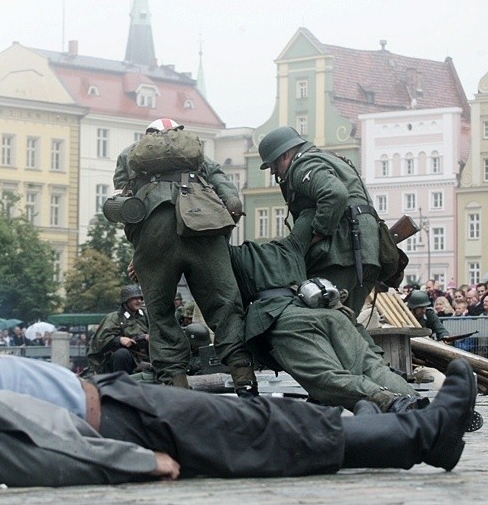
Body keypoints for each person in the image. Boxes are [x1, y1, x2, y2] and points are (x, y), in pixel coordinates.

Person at [0, 354, 478, 490]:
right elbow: (36, 451)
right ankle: (426, 436)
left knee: (264, 422)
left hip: (111, 400)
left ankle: (405, 422)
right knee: (273, 434)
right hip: (121, 424)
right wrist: (136, 463)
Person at [114, 118, 257, 395]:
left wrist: (140, 250)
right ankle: (245, 381)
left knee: (161, 315)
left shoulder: (130, 155)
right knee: (225, 306)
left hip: (155, 233)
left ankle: (176, 390)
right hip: (202, 225)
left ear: (148, 138)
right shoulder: (195, 153)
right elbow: (227, 193)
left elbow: (124, 203)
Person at [228, 225, 425, 413]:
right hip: (328, 312)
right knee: (370, 366)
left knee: (327, 378)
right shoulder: (292, 246)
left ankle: (389, 402)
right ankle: (418, 403)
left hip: (284, 320)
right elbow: (325, 205)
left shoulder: (234, 256)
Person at [257, 126, 383, 354]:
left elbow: (334, 194)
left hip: (342, 253)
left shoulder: (302, 165)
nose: (276, 173)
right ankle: (384, 375)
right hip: (365, 251)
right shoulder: (331, 159)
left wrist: (319, 231)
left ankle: (379, 375)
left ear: (286, 154)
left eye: (275, 165)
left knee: (332, 320)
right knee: (345, 321)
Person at [87, 285, 150, 374]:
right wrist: (119, 340)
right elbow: (99, 341)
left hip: (146, 355)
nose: (139, 301)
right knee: (122, 354)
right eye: (135, 299)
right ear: (126, 300)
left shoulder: (146, 316)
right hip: (124, 358)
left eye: (140, 298)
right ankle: (120, 384)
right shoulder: (114, 317)